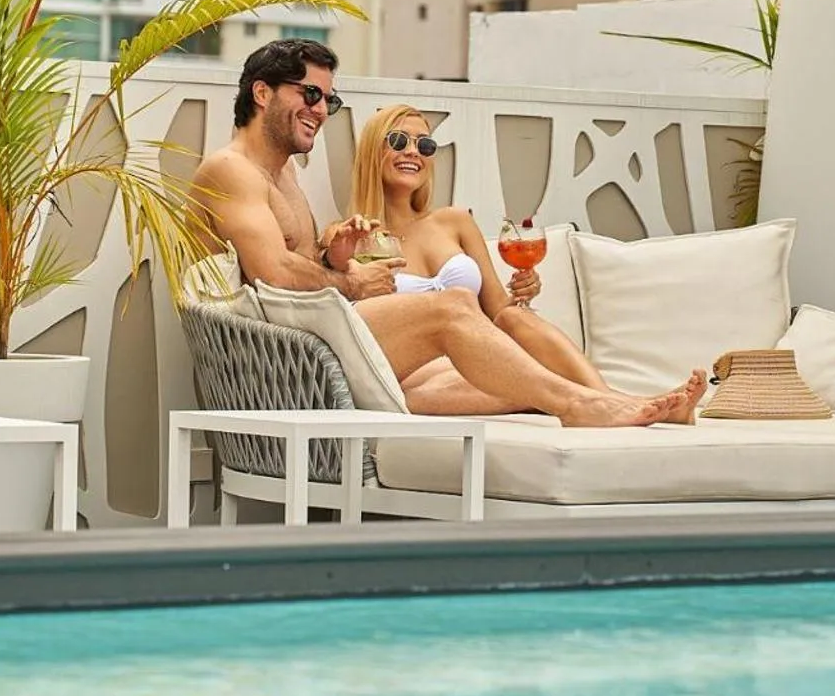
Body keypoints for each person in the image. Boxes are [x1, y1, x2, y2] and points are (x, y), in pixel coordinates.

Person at [192, 39, 704, 427]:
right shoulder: (231, 170)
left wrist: (336, 265)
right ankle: (580, 404)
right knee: (455, 306)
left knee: (489, 358)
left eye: (329, 99)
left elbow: (296, 268)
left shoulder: (284, 175)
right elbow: (273, 272)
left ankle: (611, 401)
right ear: (261, 92)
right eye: (309, 94)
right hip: (295, 359)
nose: (321, 110)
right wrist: (349, 283)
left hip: (324, 338)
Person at [346, 103, 697, 416]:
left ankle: (609, 400)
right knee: (421, 395)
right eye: (398, 141)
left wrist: (524, 291)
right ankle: (607, 403)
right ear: (373, 151)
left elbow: (498, 309)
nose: (413, 152)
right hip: (417, 370)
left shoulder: (454, 221)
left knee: (516, 317)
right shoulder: (352, 236)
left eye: (424, 145)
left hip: (477, 356)